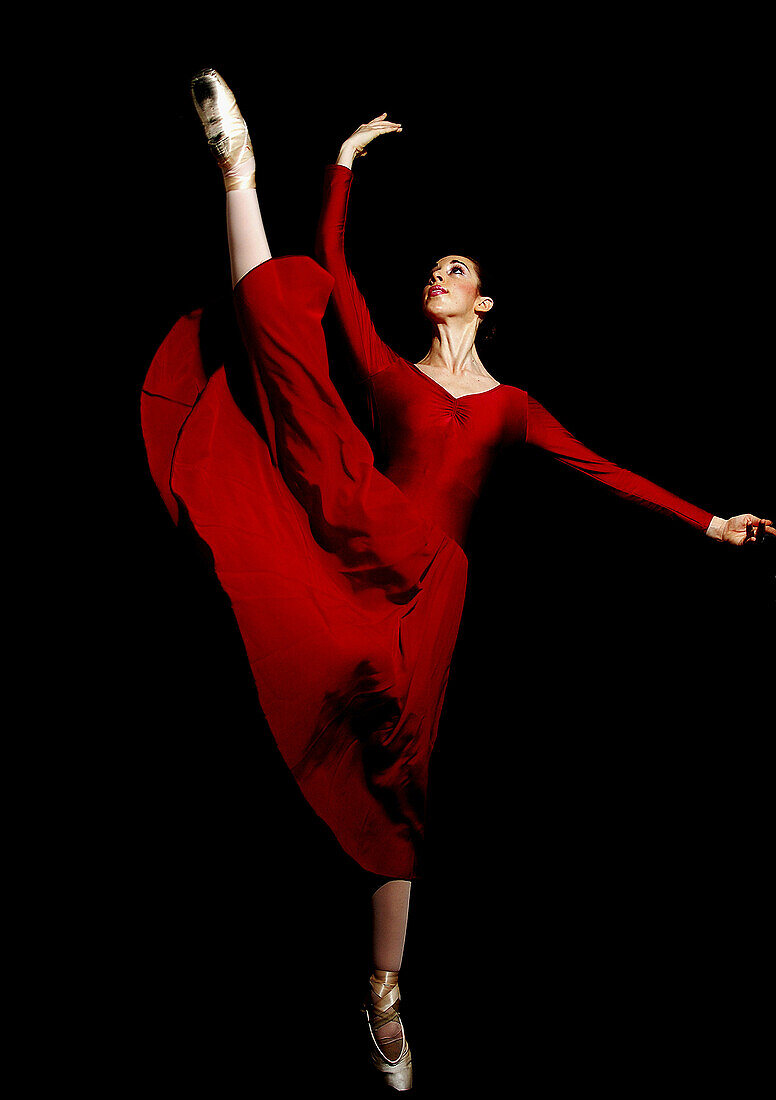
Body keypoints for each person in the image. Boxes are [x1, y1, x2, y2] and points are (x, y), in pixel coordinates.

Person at [140, 69, 773, 1092]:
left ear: (482, 298)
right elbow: (338, 269)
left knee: (401, 765)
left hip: (429, 584)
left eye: (456, 266)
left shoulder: (511, 406)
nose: (437, 272)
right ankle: (236, 176)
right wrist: (341, 164)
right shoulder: (391, 375)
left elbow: (598, 466)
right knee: (291, 360)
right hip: (359, 519)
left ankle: (382, 988)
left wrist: (706, 521)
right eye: (432, 264)